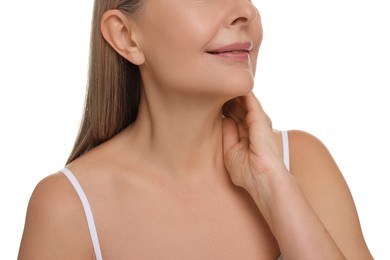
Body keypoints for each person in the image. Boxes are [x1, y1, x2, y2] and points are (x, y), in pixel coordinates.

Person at [18, 0, 373, 259]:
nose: (244, 11)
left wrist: (273, 187)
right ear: (126, 36)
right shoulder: (69, 208)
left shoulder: (303, 164)